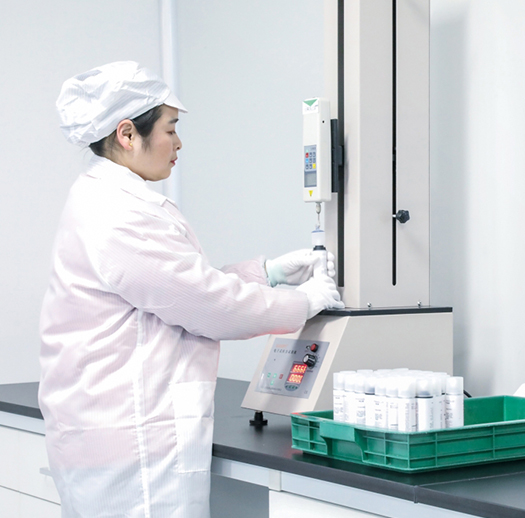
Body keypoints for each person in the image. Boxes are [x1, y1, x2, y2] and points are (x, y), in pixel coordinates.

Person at [38, 61, 344, 518]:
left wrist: (268, 274)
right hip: (132, 448)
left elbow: (175, 291)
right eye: (170, 128)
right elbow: (209, 306)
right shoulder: (119, 213)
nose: (178, 142)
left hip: (106, 434)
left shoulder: (100, 198)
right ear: (127, 134)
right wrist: (303, 302)